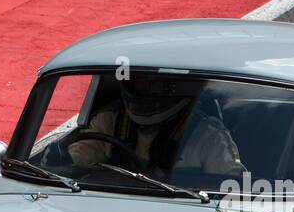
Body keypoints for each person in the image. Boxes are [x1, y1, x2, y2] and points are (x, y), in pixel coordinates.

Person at [67, 76, 246, 177]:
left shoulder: (208, 135)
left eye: (153, 85)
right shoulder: (108, 121)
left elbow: (231, 191)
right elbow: (77, 157)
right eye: (138, 83)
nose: (144, 91)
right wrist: (62, 160)